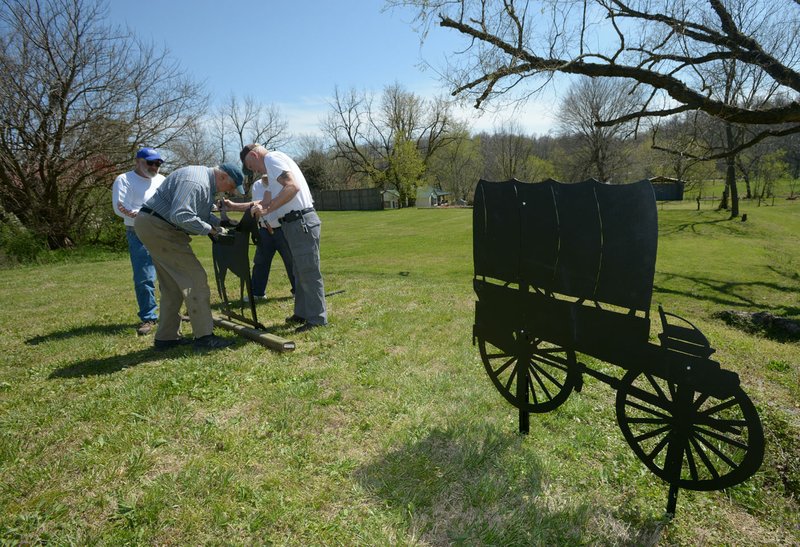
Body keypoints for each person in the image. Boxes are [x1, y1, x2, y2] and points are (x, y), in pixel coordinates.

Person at [134, 163, 246, 351]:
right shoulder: (197, 182)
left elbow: (199, 213)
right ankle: (204, 338)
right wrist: (211, 230)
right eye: (232, 187)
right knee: (196, 279)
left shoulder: (203, 181)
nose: (231, 192)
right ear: (224, 177)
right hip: (161, 228)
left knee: (172, 286)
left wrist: (220, 222)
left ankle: (166, 338)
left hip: (153, 224)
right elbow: (181, 215)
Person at [240, 144, 327, 332]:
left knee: (308, 272)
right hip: (292, 223)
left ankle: (317, 319)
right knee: (298, 271)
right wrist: (242, 207)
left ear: (254, 155)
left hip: (300, 222)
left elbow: (292, 187)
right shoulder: (273, 171)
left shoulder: (272, 159)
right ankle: (302, 313)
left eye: (251, 165)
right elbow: (265, 202)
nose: (254, 170)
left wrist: (267, 210)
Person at [111, 147, 165, 335]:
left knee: (169, 274)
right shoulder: (124, 179)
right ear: (138, 161)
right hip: (138, 232)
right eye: (150, 162)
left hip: (162, 231)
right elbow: (120, 207)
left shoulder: (161, 180)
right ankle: (148, 317)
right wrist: (146, 216)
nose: (154, 166)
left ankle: (170, 312)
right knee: (145, 277)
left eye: (158, 163)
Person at [223, 174, 296, 302]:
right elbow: (255, 206)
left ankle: (298, 291)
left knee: (291, 261)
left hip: (282, 228)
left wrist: (234, 206)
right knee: (260, 262)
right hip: (264, 229)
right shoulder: (257, 185)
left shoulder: (279, 182)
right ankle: (257, 293)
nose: (265, 173)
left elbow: (263, 203)